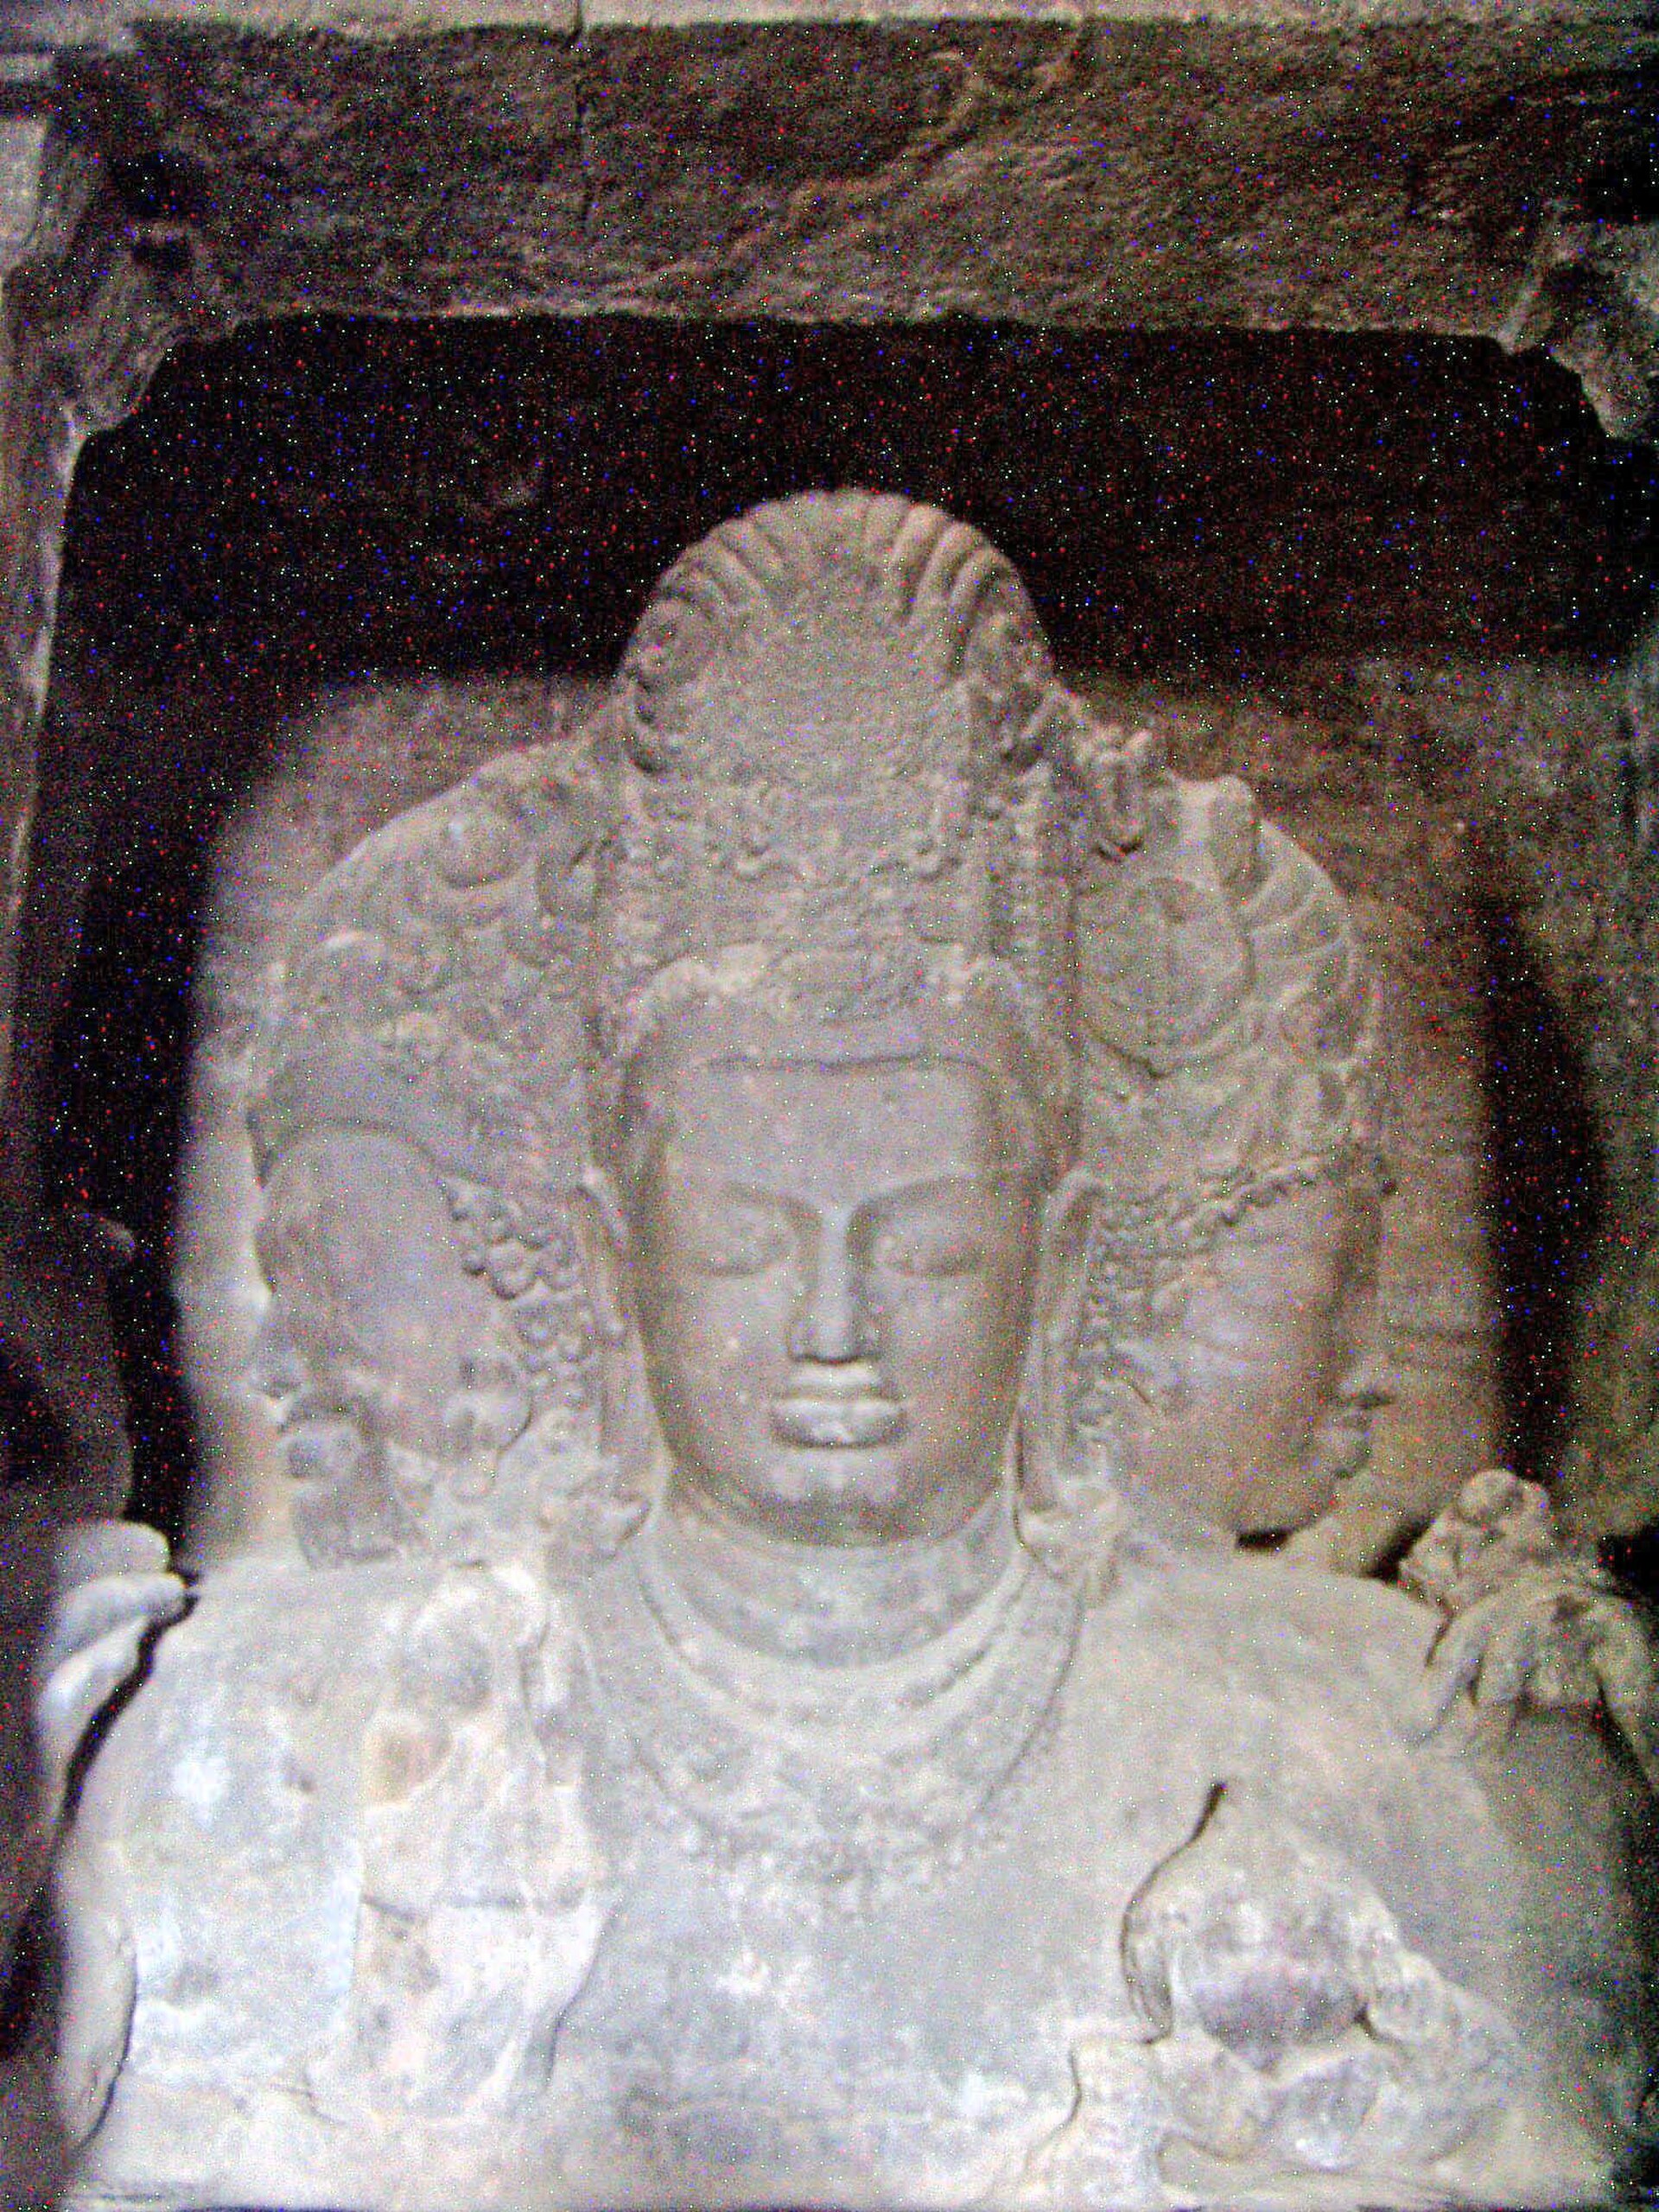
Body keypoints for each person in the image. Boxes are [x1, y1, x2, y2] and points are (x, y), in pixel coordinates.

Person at [47, 493, 1658, 2212]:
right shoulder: (290, 1738)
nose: (833, 1330)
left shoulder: (1372, 1746)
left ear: (1067, 1254)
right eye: (740, 1241)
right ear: (602, 1259)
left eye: (933, 1243)